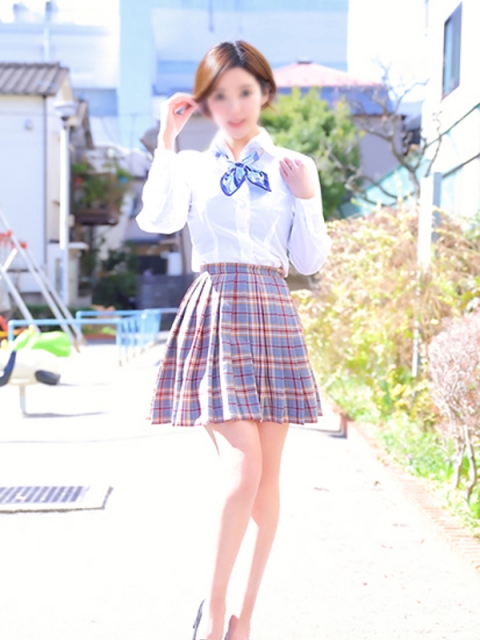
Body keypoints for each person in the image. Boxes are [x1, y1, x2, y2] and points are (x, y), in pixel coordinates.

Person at [136, 40, 331, 640]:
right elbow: (158, 221)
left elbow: (308, 260)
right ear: (206, 103)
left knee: (268, 481)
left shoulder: (294, 166)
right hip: (219, 308)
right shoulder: (193, 167)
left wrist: (307, 197)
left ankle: (245, 619)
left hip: (272, 309)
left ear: (264, 94)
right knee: (244, 472)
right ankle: (213, 609)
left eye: (245, 92)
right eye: (220, 95)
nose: (235, 106)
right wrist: (167, 141)